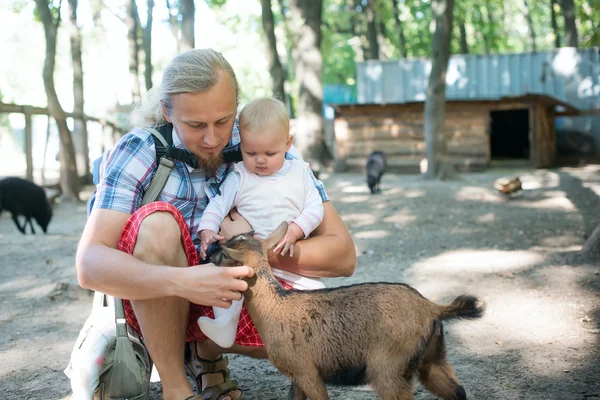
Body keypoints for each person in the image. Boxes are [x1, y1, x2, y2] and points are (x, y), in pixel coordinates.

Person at [75, 48, 356, 400]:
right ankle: (177, 388)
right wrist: (184, 281)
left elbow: (343, 257)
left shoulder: (262, 143)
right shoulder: (141, 150)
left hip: (237, 300)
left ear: (236, 108)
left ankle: (207, 356)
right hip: (157, 295)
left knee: (319, 317)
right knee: (158, 223)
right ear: (167, 111)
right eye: (195, 125)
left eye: (223, 121)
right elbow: (89, 265)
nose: (212, 139)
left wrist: (255, 249)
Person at [196, 98, 327, 347]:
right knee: (224, 280)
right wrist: (208, 229)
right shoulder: (240, 176)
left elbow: (314, 208)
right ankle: (225, 326)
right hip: (249, 256)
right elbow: (218, 204)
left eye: (270, 153)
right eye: (251, 153)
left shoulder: (299, 172)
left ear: (288, 143)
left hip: (287, 255)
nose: (260, 160)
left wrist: (296, 230)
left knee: (315, 290)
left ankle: (317, 338)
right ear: (241, 146)